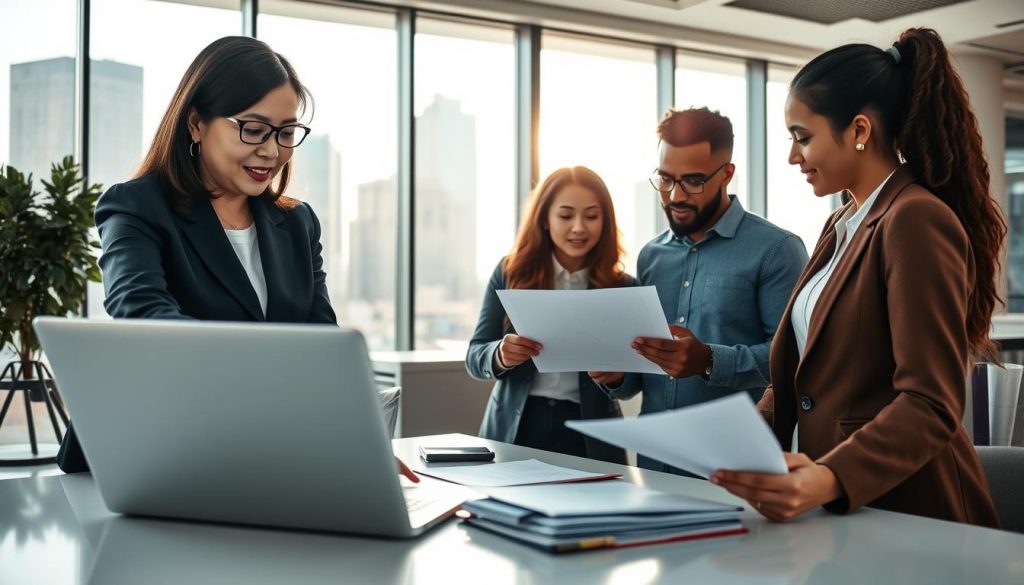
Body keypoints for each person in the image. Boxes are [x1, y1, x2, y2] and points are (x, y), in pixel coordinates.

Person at [56, 36, 417, 484]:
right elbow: (143, 317)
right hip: (153, 456)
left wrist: (356, 442)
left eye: (286, 132)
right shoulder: (136, 206)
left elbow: (321, 344)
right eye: (253, 128)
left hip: (264, 453)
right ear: (196, 125)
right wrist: (265, 383)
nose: (272, 150)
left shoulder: (297, 223)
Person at [709, 28, 1001, 527]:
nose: (792, 156)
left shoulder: (913, 218)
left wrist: (826, 477)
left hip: (907, 511)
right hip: (831, 507)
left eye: (803, 137)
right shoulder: (843, 222)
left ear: (860, 130)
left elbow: (930, 402)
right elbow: (803, 373)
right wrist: (741, 446)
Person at [590, 108, 808, 475]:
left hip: (737, 463)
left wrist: (709, 360)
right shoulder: (650, 256)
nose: (675, 195)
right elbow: (641, 375)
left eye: (692, 180)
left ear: (727, 173)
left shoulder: (777, 250)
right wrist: (617, 377)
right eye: (665, 179)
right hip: (655, 464)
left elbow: (794, 357)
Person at [466, 166, 634, 463]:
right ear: (545, 218)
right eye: (566, 215)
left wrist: (618, 377)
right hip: (518, 425)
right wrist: (501, 354)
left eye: (592, 216)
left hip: (590, 434)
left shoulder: (622, 286)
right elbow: (475, 356)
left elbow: (633, 383)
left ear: (605, 221)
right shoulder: (510, 272)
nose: (579, 227)